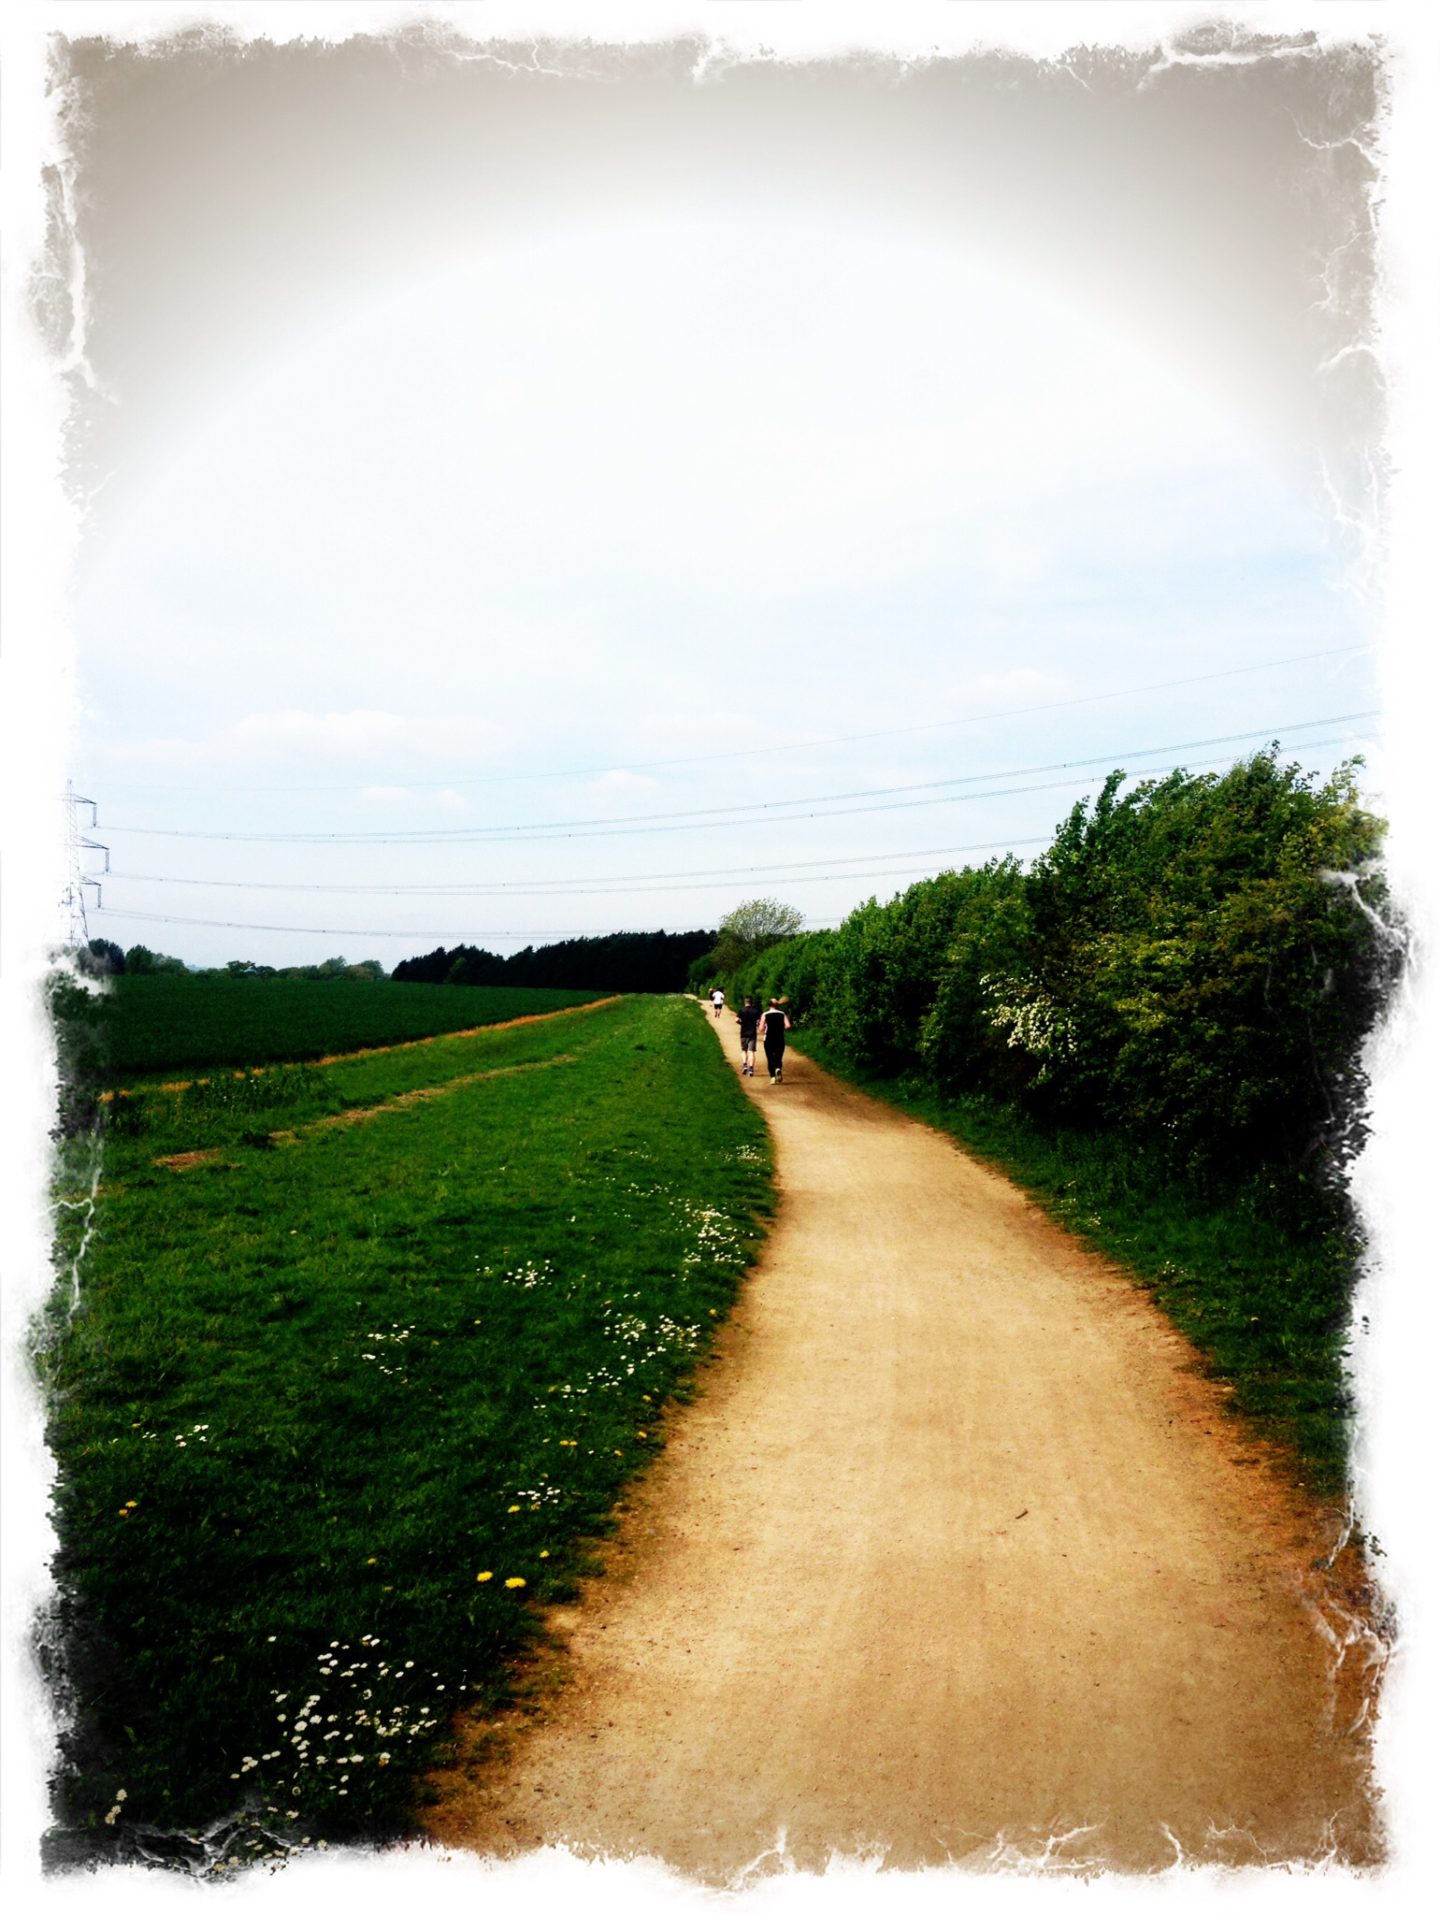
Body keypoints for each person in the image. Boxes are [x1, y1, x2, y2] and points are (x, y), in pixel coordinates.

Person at [760, 996, 791, 1082]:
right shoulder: (782, 1014)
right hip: (780, 1038)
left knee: (769, 1057)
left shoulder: (765, 1014)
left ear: (769, 1005)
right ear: (777, 1005)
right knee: (778, 1056)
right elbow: (788, 1026)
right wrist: (781, 1028)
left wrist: (765, 1027)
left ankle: (772, 1077)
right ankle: (778, 1068)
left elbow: (761, 1029)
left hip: (768, 1039)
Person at [735, 994, 760, 1075]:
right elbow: (759, 1022)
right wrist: (755, 1024)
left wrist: (741, 1023)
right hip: (752, 1034)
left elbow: (736, 1020)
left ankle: (745, 1065)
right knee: (751, 1051)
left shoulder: (741, 1010)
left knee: (743, 1050)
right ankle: (751, 1069)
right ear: (751, 1002)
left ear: (745, 1002)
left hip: (743, 1033)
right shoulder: (755, 1011)